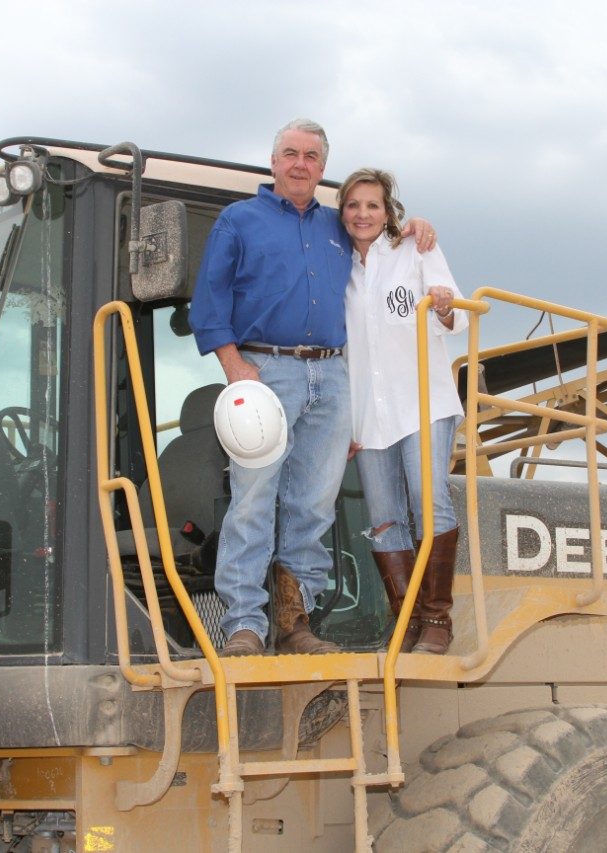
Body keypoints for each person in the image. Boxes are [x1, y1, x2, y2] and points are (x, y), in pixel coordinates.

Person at [190, 120, 436, 657]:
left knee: (314, 505)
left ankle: (294, 621)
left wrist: (412, 225)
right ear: (273, 160)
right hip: (264, 370)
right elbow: (208, 304)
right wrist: (236, 367)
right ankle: (244, 625)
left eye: (311, 157)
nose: (300, 164)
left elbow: (385, 246)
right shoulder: (239, 221)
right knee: (253, 500)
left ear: (322, 169)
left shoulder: (338, 225)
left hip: (334, 373)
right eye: (290, 153)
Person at [340, 168, 466, 655]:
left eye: (372, 205)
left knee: (427, 499)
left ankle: (437, 617)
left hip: (422, 401)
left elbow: (452, 312)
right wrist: (347, 422)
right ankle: (406, 620)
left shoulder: (416, 248)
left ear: (389, 211)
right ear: (343, 213)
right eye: (353, 205)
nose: (363, 214)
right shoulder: (341, 270)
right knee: (385, 517)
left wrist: (441, 304)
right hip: (368, 412)